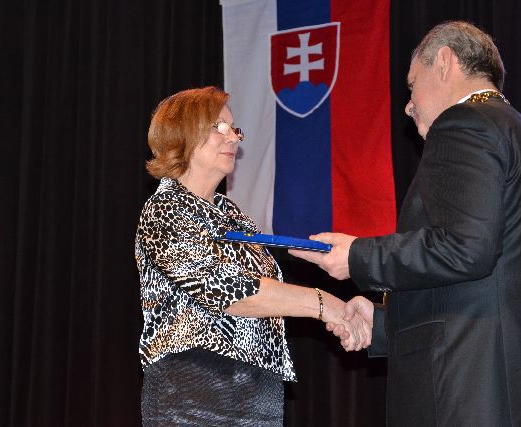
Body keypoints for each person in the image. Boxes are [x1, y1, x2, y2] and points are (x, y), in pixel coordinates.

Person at [291, 21, 521, 426]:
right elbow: (483, 276)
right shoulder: (517, 130)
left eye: (411, 85)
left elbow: (465, 248)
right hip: (492, 380)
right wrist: (384, 325)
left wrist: (357, 256)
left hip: (461, 387)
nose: (408, 106)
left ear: (444, 62)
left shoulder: (464, 124)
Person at [135, 86, 371, 426]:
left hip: (260, 394)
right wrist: (325, 305)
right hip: (193, 393)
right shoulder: (164, 209)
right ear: (181, 134)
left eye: (234, 128)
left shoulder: (235, 216)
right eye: (219, 126)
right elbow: (227, 290)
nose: (233, 137)